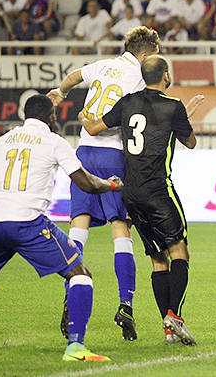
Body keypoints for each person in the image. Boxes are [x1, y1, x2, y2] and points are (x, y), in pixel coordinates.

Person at [0, 95, 121, 362]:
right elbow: (87, 184)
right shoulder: (55, 142)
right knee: (81, 274)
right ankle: (75, 347)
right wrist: (112, 185)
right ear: (51, 117)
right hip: (27, 222)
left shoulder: (6, 139)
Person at [47, 26, 161, 342]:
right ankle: (125, 304)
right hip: (114, 154)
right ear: (147, 52)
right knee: (120, 228)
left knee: (78, 226)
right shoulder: (140, 73)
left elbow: (71, 76)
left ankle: (72, 294)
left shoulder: (101, 65)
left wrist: (61, 93)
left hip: (83, 153)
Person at [79, 56, 203, 345]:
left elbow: (95, 128)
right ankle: (174, 316)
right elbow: (191, 142)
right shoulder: (173, 106)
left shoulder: (128, 102)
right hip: (160, 190)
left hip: (131, 194)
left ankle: (168, 329)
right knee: (179, 252)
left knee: (158, 260)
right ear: (164, 75)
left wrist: (84, 117)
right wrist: (184, 116)